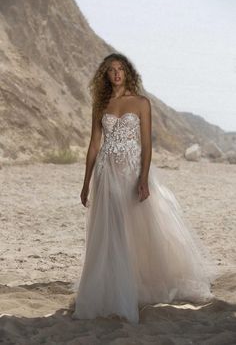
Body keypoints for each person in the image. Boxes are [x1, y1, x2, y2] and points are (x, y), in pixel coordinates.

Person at [71, 52, 218, 324]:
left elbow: (147, 145)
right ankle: (110, 290)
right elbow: (93, 145)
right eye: (111, 70)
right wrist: (85, 182)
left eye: (120, 69)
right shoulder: (100, 103)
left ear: (127, 73)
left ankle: (135, 285)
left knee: (134, 230)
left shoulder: (141, 103)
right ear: (105, 75)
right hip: (105, 173)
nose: (116, 73)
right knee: (110, 232)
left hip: (130, 171)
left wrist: (143, 178)